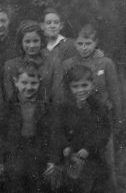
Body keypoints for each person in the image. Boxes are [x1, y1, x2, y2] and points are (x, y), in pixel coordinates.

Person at [62, 23, 123, 192]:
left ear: (96, 43)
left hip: (102, 120)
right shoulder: (68, 63)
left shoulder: (105, 63)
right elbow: (66, 94)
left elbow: (115, 94)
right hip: (78, 121)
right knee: (79, 166)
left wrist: (118, 121)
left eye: (88, 44)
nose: (83, 48)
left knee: (106, 163)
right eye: (80, 44)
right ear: (75, 44)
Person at [45, 64, 110, 192]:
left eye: (84, 85)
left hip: (92, 157)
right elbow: (58, 131)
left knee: (91, 185)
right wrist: (65, 146)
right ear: (69, 88)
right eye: (75, 86)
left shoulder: (98, 107)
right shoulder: (64, 107)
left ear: (92, 84)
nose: (80, 90)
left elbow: (104, 132)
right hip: (69, 156)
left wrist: (89, 148)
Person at [0, 61, 52, 192]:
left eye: (33, 83)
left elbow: (53, 134)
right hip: (14, 156)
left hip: (38, 154)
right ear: (16, 82)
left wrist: (52, 160)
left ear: (40, 82)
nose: (28, 87)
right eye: (24, 83)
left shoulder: (45, 107)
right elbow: (0, 134)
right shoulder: (8, 107)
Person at [4, 20, 63, 103]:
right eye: (27, 41)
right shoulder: (11, 66)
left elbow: (57, 96)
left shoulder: (53, 64)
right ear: (21, 42)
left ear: (41, 41)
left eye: (35, 41)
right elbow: (10, 99)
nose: (32, 45)